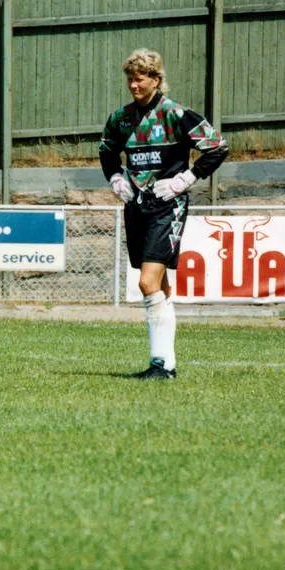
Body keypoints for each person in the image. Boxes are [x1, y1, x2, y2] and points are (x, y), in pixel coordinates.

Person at [99, 49, 229, 380]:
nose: (133, 85)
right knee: (159, 284)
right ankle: (166, 366)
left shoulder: (176, 114)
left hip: (167, 205)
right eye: (130, 79)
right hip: (136, 205)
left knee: (146, 282)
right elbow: (107, 151)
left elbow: (217, 147)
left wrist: (185, 179)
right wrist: (115, 178)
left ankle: (159, 363)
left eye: (140, 79)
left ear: (156, 80)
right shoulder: (121, 118)